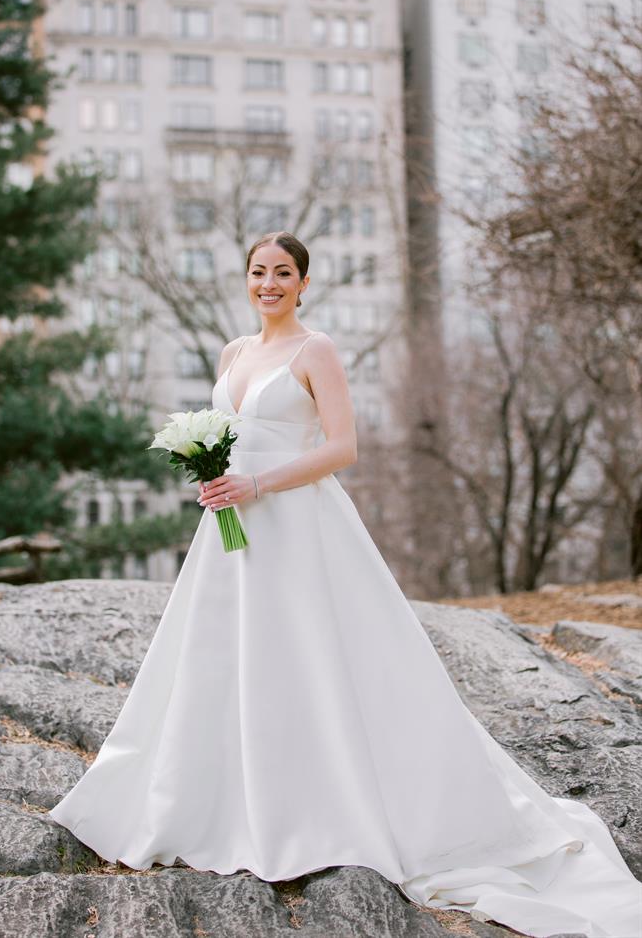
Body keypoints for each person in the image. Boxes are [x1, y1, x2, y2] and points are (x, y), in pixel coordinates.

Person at [49, 232, 641, 938]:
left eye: (283, 273)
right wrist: (219, 479)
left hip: (299, 525)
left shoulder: (315, 351)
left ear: (303, 283)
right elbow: (232, 434)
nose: (269, 283)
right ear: (247, 280)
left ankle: (324, 806)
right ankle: (217, 799)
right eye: (258, 272)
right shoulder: (235, 353)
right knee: (223, 661)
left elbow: (341, 447)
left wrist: (259, 481)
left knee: (314, 660)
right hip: (232, 534)